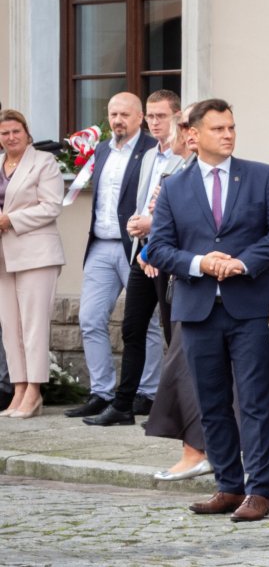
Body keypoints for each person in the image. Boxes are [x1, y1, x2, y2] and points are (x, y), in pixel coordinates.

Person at [145, 98, 269, 522]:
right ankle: (228, 485)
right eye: (218, 129)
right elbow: (160, 248)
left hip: (250, 305)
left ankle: (258, 491)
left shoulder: (262, 176)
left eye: (231, 128)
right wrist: (200, 263)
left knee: (256, 403)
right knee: (211, 402)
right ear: (194, 135)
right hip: (197, 307)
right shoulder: (173, 186)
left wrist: (240, 262)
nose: (228, 135)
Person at [84, 89, 181, 427]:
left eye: (161, 116)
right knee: (132, 327)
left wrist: (153, 229)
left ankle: (179, 405)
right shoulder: (151, 157)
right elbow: (141, 204)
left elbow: (184, 211)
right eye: (151, 116)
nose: (155, 123)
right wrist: (137, 227)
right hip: (143, 253)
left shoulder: (185, 158)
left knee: (172, 332)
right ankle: (123, 405)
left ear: (177, 118)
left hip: (169, 255)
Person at [67, 92, 162, 419]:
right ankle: (101, 391)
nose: (117, 120)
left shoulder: (151, 150)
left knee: (145, 323)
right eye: (113, 114)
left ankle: (146, 393)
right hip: (101, 245)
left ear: (140, 118)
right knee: (90, 318)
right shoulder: (102, 149)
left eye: (124, 114)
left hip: (134, 246)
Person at [143, 105, 210, 480]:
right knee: (183, 367)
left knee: (188, 369)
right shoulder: (178, 174)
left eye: (187, 125)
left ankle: (200, 450)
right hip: (184, 283)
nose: (181, 132)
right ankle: (197, 450)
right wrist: (150, 251)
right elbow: (164, 233)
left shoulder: (214, 174)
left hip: (216, 288)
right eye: (181, 125)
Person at [0, 109, 66, 419]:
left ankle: (35, 391)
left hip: (36, 254)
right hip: (3, 258)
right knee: (10, 328)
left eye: (15, 131)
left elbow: (51, 206)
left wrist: (10, 219)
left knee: (33, 326)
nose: (10, 137)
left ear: (27, 133)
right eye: (4, 133)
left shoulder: (44, 162)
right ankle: (18, 389)